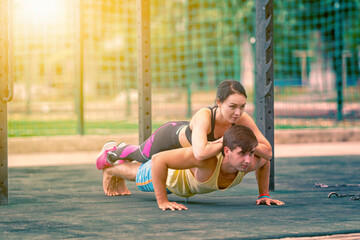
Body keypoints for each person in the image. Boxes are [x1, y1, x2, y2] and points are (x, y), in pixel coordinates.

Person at [96, 80, 272, 170]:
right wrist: (227, 141)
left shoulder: (242, 119)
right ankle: (114, 151)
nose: (238, 112)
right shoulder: (204, 116)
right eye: (232, 106)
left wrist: (249, 147)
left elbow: (268, 152)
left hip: (187, 138)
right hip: (168, 136)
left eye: (242, 107)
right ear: (219, 102)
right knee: (141, 156)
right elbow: (200, 152)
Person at [101, 125, 284, 211]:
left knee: (139, 167)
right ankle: (111, 168)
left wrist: (264, 195)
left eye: (251, 153)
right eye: (242, 153)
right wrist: (162, 201)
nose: (247, 159)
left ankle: (121, 154)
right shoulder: (208, 160)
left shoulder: (248, 162)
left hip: (185, 185)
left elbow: (265, 161)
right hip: (169, 179)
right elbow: (158, 160)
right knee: (135, 173)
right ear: (226, 151)